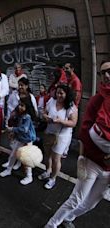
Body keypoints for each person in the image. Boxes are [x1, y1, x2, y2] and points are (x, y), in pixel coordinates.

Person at [44, 60, 110, 228]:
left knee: (91, 204)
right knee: (77, 199)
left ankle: (69, 218)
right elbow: (84, 132)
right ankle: (52, 224)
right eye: (103, 73)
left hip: (108, 170)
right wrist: (83, 156)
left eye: (109, 71)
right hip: (92, 162)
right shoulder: (96, 101)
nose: (107, 76)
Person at [38, 84, 78, 189]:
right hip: (49, 131)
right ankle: (47, 171)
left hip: (62, 136)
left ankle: (53, 178)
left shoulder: (71, 106)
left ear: (66, 94)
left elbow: (73, 123)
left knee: (56, 158)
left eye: (61, 93)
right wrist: (45, 117)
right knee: (47, 154)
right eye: (57, 92)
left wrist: (61, 121)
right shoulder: (52, 101)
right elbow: (44, 112)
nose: (59, 95)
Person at [0, 97, 37, 185]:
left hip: (26, 140)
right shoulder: (20, 115)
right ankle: (9, 169)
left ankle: (29, 176)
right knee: (13, 155)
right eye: (19, 105)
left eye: (22, 105)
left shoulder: (27, 117)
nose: (20, 107)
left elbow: (24, 129)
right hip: (21, 139)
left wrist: (12, 129)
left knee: (26, 159)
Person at [4, 77, 38, 170]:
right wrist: (9, 121)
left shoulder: (30, 98)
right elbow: (9, 107)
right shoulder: (14, 95)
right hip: (14, 122)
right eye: (19, 85)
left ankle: (19, 163)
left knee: (23, 150)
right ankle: (11, 163)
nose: (20, 87)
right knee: (13, 145)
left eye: (22, 85)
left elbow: (34, 110)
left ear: (26, 86)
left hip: (23, 130)